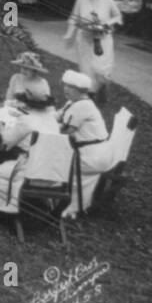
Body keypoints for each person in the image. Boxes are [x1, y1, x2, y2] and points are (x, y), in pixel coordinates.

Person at [59, 70, 111, 218]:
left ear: (81, 91)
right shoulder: (73, 102)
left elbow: (66, 130)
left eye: (71, 87)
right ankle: (69, 203)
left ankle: (68, 206)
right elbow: (58, 115)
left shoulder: (82, 106)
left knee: (52, 158)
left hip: (92, 156)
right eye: (66, 85)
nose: (66, 89)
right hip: (94, 152)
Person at [64, 0, 123, 103]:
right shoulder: (81, 0)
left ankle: (102, 87)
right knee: (86, 67)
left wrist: (107, 23)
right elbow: (74, 18)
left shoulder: (107, 0)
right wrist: (69, 33)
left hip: (103, 39)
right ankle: (89, 94)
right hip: (85, 38)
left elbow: (118, 16)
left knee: (101, 68)